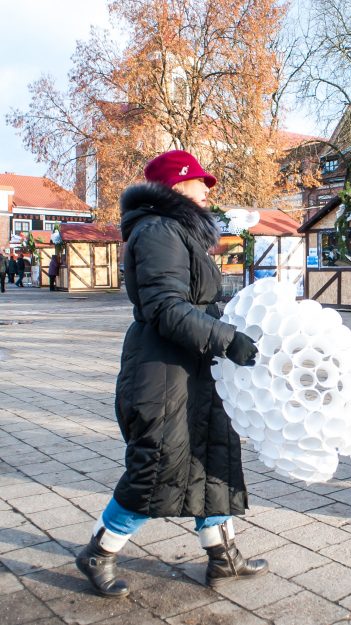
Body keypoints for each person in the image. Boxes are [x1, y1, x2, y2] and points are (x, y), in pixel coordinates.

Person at [75, 150, 266, 598]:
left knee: (210, 459)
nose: (207, 189)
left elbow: (194, 300)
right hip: (164, 372)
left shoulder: (179, 231)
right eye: (201, 181)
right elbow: (165, 307)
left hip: (194, 368)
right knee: (157, 468)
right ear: (178, 186)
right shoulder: (159, 230)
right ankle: (98, 552)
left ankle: (223, 557)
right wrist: (225, 338)